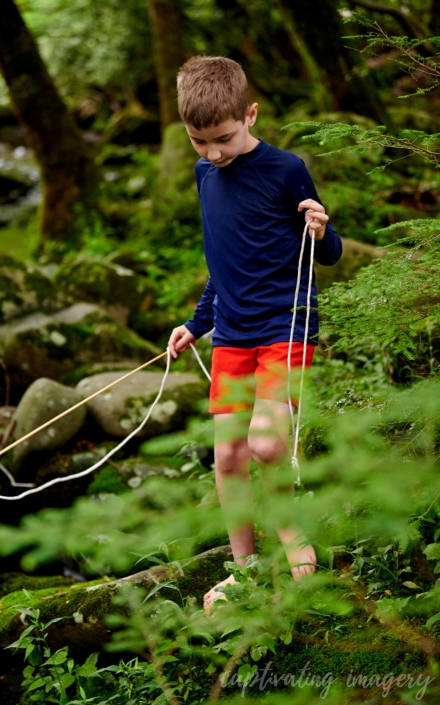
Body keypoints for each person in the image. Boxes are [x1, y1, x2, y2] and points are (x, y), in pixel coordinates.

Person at [167, 56, 342, 613]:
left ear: (250, 114)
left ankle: (291, 533)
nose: (213, 153)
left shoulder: (286, 169)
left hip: (286, 325)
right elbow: (221, 263)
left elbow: (327, 253)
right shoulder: (204, 176)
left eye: (222, 138)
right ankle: (243, 569)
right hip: (233, 336)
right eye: (199, 142)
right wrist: (197, 323)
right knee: (228, 460)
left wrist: (321, 227)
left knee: (267, 444)